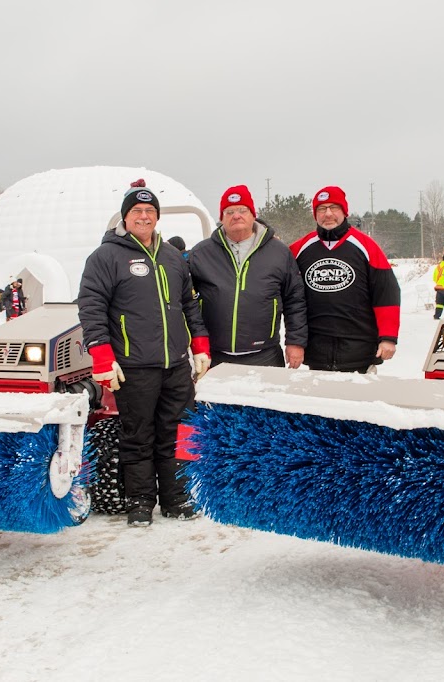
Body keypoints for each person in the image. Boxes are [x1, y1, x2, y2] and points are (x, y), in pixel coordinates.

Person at [77, 179, 210, 527]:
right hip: (134, 366)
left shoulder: (171, 257)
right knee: (138, 435)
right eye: (137, 210)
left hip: (175, 365)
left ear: (157, 217)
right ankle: (139, 502)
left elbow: (189, 305)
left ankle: (176, 498)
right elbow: (91, 309)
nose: (144, 216)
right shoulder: (105, 257)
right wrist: (103, 357)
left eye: (150, 211)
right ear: (125, 216)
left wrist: (200, 346)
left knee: (178, 431)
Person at [188, 185, 308, 369]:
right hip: (215, 356)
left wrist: (295, 342)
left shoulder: (279, 252)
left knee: (266, 399)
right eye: (229, 212)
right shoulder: (201, 253)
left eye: (242, 210)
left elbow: (295, 300)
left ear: (253, 214)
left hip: (264, 355)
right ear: (221, 218)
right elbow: (188, 301)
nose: (236, 216)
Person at [289, 186, 400, 373]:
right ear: (315, 214)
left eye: (334, 207)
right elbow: (285, 292)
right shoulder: (300, 248)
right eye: (322, 209)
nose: (328, 214)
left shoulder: (366, 246)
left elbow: (386, 292)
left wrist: (388, 336)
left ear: (344, 211)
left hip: (360, 352)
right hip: (317, 352)